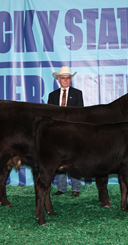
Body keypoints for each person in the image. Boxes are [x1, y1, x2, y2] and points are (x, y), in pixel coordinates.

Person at [48, 66, 84, 197]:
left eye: (68, 78)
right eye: (63, 78)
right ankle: (61, 188)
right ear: (58, 79)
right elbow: (49, 116)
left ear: (71, 79)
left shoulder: (77, 94)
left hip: (73, 133)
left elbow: (81, 114)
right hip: (57, 134)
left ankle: (76, 188)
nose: (66, 80)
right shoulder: (52, 96)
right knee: (59, 160)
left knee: (74, 160)